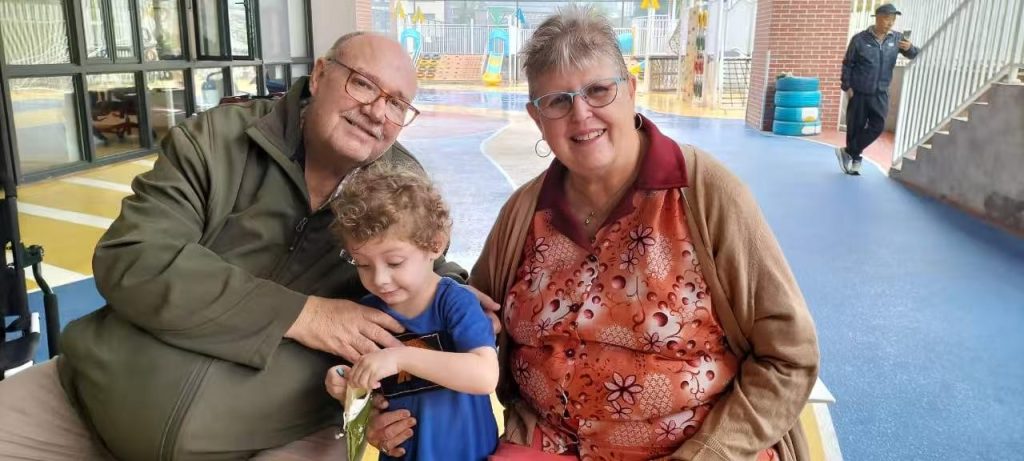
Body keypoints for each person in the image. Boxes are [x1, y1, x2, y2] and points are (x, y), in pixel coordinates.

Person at [0, 32, 489, 460]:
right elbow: (134, 257)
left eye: (397, 104)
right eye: (362, 84)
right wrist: (303, 314)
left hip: (273, 435)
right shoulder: (216, 140)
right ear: (320, 75)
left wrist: (453, 289)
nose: (377, 111)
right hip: (87, 400)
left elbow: (424, 266)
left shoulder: (400, 182)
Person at [367, 6, 819, 461]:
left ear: (631, 91)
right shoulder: (524, 213)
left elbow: (789, 358)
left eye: (599, 90)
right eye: (558, 101)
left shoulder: (706, 194)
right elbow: (454, 327)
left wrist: (710, 453)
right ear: (537, 117)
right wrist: (384, 409)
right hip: (547, 442)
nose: (581, 114)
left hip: (696, 448)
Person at [324, 162, 499, 460]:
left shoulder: (454, 301)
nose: (379, 279)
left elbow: (484, 375)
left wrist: (400, 357)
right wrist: (344, 383)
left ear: (435, 245)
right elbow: (368, 395)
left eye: (394, 262)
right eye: (363, 265)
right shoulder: (369, 315)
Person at [837, 3, 919, 175]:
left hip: (881, 92)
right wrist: (847, 86)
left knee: (878, 126)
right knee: (855, 127)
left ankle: (849, 151)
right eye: (887, 19)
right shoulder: (859, 39)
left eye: (893, 19)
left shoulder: (896, 39)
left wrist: (910, 48)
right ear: (878, 18)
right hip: (859, 91)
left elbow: (915, 54)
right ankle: (855, 159)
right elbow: (848, 63)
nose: (891, 23)